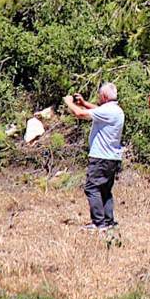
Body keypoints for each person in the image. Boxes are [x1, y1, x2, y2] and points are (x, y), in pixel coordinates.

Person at [63, 82, 124, 230]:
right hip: (112, 157)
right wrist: (84, 103)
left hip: (101, 157)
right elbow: (98, 110)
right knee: (105, 190)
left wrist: (69, 103)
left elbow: (79, 114)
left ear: (103, 96)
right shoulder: (116, 110)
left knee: (92, 187)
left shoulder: (108, 112)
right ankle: (108, 221)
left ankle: (99, 222)